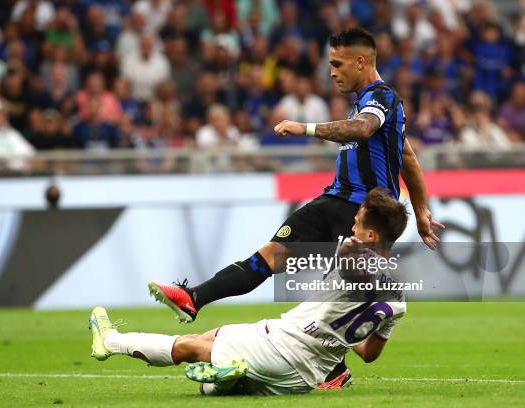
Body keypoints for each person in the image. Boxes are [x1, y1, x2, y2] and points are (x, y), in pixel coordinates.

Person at [148, 27, 445, 387]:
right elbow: (408, 159)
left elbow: (363, 130)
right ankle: (195, 297)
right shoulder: (367, 101)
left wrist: (305, 127)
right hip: (334, 200)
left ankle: (332, 372)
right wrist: (423, 209)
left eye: (337, 64)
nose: (332, 71)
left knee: (332, 297)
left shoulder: (382, 99)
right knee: (272, 255)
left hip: (363, 211)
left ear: (361, 61)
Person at [90, 188, 408, 396]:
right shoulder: (398, 298)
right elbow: (367, 354)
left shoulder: (351, 251)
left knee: (192, 347)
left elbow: (357, 267)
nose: (349, 230)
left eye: (355, 224)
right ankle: (228, 379)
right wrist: (336, 337)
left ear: (369, 234)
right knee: (214, 350)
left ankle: (110, 341)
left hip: (285, 347)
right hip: (306, 377)